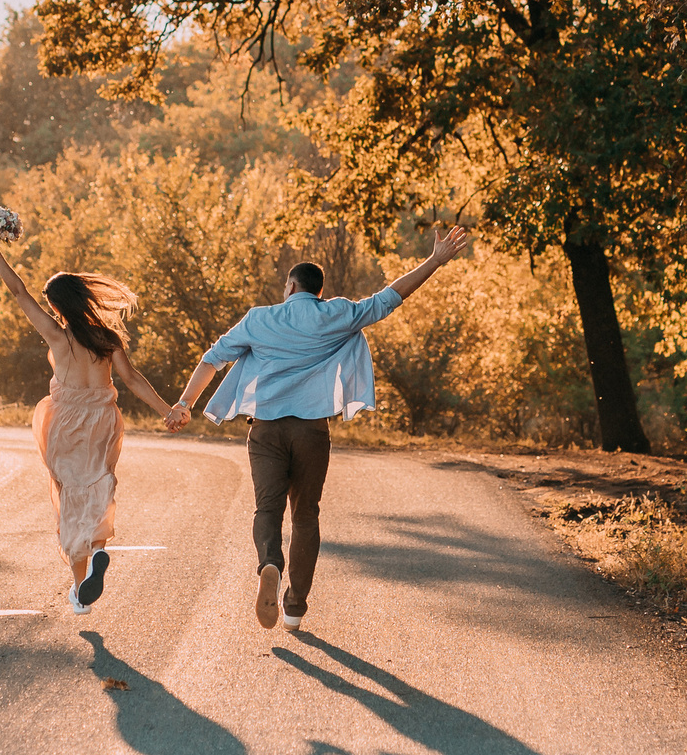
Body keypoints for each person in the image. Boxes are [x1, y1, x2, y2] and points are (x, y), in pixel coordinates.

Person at [165, 225, 476, 631]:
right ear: (317, 289)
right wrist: (434, 260)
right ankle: (295, 607)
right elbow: (390, 298)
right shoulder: (338, 313)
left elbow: (213, 359)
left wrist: (185, 403)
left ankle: (270, 564)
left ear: (291, 285)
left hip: (266, 432)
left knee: (267, 508)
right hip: (312, 432)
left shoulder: (259, 319)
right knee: (306, 515)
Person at [0, 238, 187, 612]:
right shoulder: (106, 338)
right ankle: (96, 554)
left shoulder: (58, 336)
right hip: (103, 421)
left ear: (57, 305)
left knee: (69, 498)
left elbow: (17, 291)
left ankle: (80, 589)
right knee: (99, 487)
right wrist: (166, 410)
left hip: (66, 422)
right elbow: (133, 379)